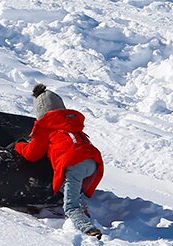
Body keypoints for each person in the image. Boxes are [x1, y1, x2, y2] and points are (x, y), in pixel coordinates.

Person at [14, 84, 105, 237]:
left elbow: (32, 154)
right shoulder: (71, 122)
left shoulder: (45, 126)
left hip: (74, 162)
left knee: (70, 206)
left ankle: (88, 229)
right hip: (92, 162)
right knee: (67, 184)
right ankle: (80, 204)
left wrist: (19, 145)